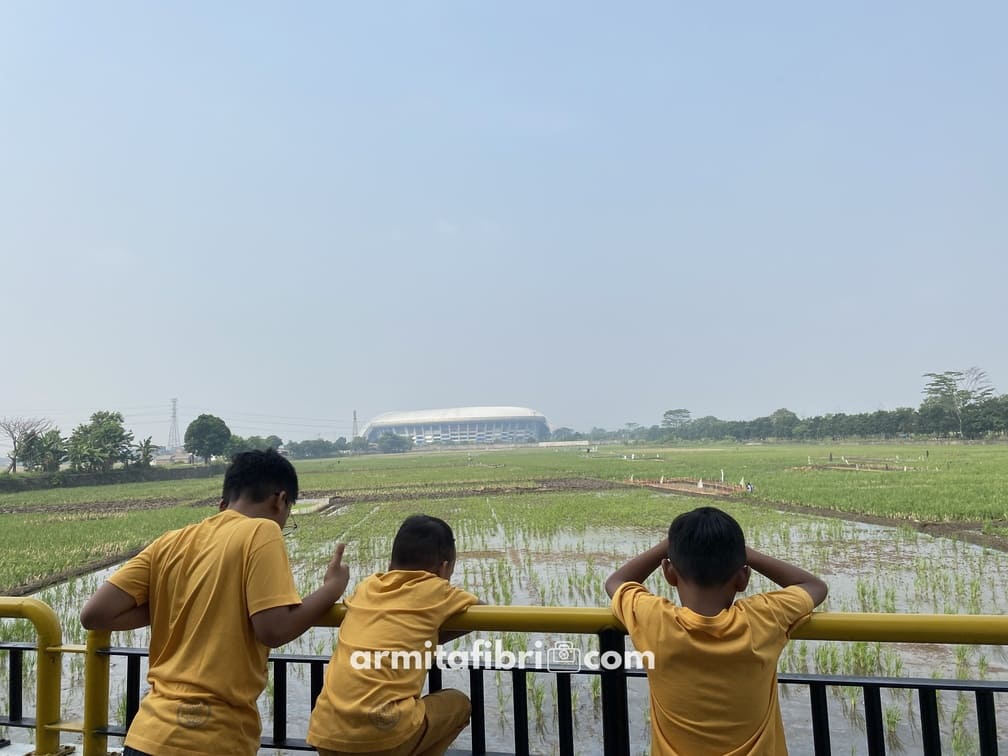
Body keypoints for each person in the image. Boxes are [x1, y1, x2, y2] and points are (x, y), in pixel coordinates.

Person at [79, 448, 350, 756]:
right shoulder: (262, 530)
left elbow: (95, 614)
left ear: (224, 503)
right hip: (211, 739)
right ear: (280, 500)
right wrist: (332, 588)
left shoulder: (171, 540)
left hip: (146, 734)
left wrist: (184, 601)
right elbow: (273, 629)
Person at [605, 506, 828, 755]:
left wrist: (668, 545)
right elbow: (814, 586)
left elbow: (616, 583)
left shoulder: (655, 621)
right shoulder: (764, 618)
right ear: (743, 578)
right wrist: (746, 554)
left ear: (669, 573)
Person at [308, 514, 480, 756]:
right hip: (384, 733)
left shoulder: (367, 586)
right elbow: (480, 610)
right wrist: (429, 639)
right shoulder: (438, 589)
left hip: (327, 733)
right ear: (443, 568)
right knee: (459, 704)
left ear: (390, 565)